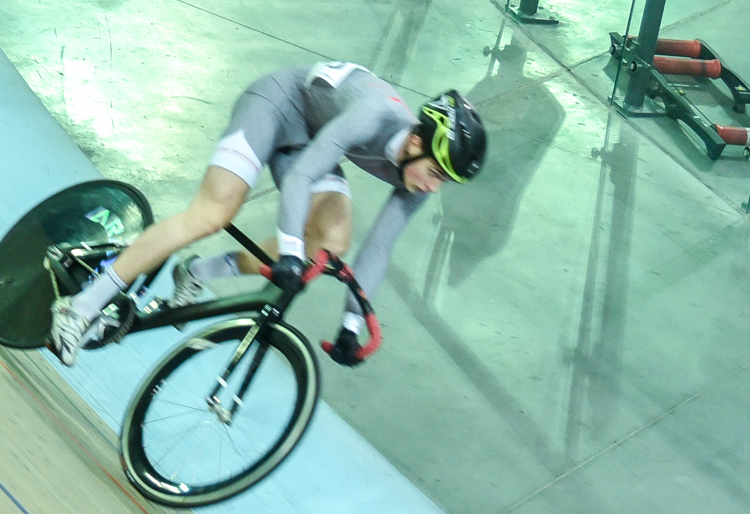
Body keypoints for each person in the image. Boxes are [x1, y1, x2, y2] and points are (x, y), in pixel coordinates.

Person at [49, 64, 485, 365]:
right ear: (415, 143)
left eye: (443, 181)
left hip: (310, 140)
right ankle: (79, 309)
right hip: (273, 107)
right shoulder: (373, 116)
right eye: (435, 174)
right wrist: (289, 252)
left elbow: (379, 247)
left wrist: (352, 323)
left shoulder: (420, 174)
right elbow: (301, 178)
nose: (434, 188)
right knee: (213, 214)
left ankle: (196, 271)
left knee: (330, 242)